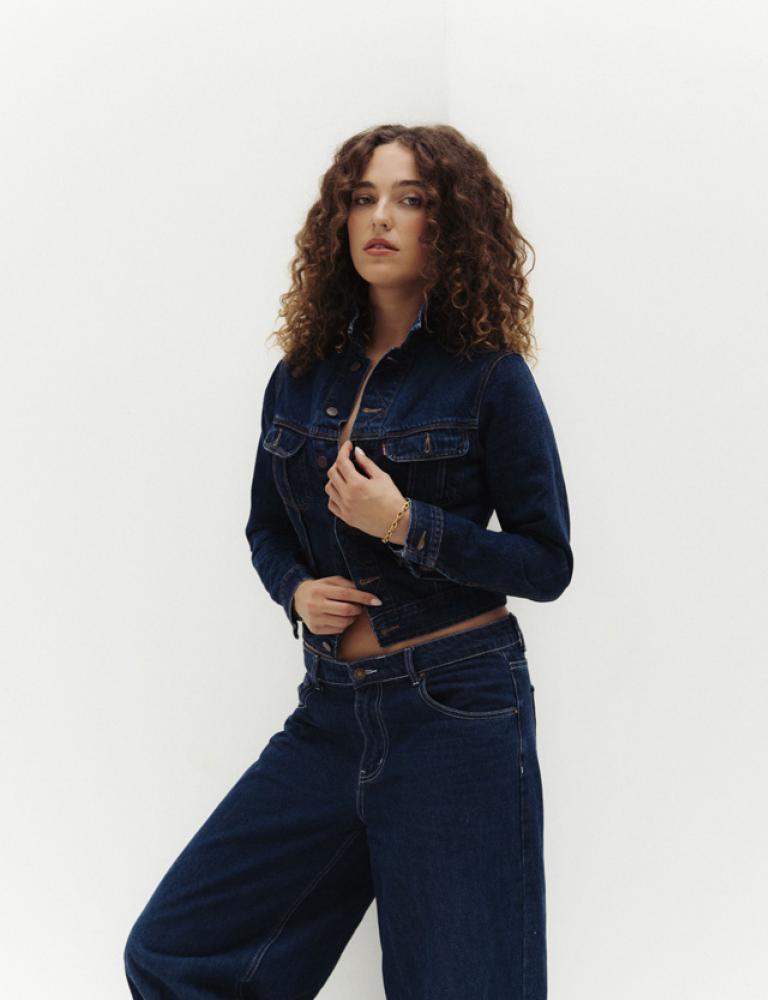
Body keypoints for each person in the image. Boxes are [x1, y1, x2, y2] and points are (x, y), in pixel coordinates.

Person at [124, 124, 573, 1000]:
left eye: (411, 199)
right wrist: (296, 590)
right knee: (175, 952)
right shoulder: (300, 376)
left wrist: (406, 523)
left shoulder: (489, 377)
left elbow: (546, 563)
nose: (381, 218)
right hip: (330, 713)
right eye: (363, 198)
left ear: (450, 226)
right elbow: (265, 530)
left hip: (455, 714)